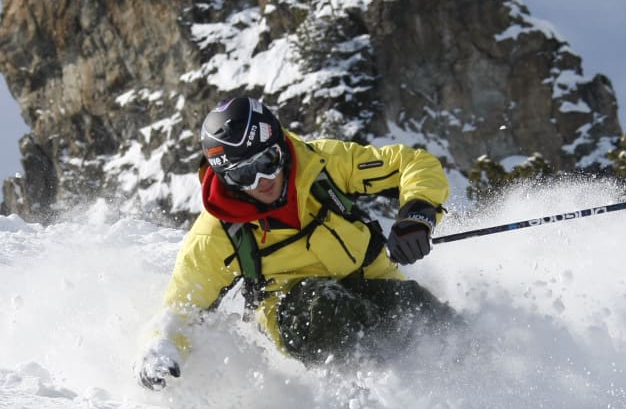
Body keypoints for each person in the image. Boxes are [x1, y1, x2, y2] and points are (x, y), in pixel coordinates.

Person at [137, 96, 459, 390]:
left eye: (266, 163)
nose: (261, 182)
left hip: (369, 279)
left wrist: (417, 217)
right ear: (226, 180)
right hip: (295, 311)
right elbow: (182, 306)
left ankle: (474, 382)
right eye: (242, 176)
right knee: (327, 307)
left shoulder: (323, 164)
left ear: (280, 147)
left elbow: (412, 164)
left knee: (424, 318)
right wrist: (162, 347)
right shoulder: (218, 233)